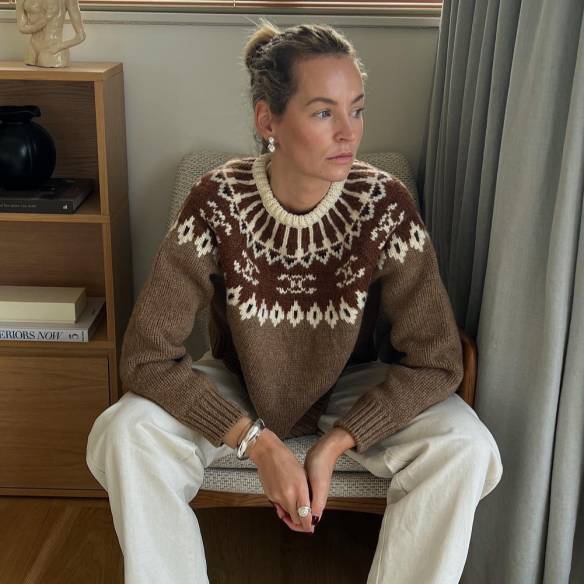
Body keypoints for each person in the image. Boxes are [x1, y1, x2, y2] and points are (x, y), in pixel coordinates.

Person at [85, 19, 503, 584]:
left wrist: (336, 443)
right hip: (238, 384)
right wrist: (255, 443)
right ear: (268, 121)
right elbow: (146, 355)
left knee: (467, 447)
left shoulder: (386, 203)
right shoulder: (216, 199)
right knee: (124, 433)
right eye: (324, 112)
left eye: (357, 109)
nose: (348, 133)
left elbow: (437, 360)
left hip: (352, 384)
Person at [15, 0, 86, 68]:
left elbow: (80, 36)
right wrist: (46, 19)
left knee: (45, 61)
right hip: (32, 48)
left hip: (53, 50)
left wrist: (58, 47)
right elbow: (22, 28)